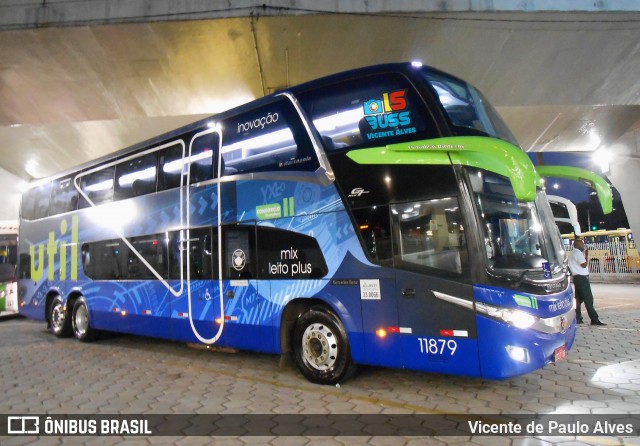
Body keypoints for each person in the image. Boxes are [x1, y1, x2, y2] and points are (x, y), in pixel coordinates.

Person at [568, 237, 606, 326]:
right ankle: (594, 319)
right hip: (582, 278)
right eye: (581, 243)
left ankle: (577, 317)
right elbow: (584, 265)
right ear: (577, 245)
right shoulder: (577, 253)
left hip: (577, 278)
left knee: (579, 299)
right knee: (588, 299)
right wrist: (586, 256)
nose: (583, 245)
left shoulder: (573, 253)